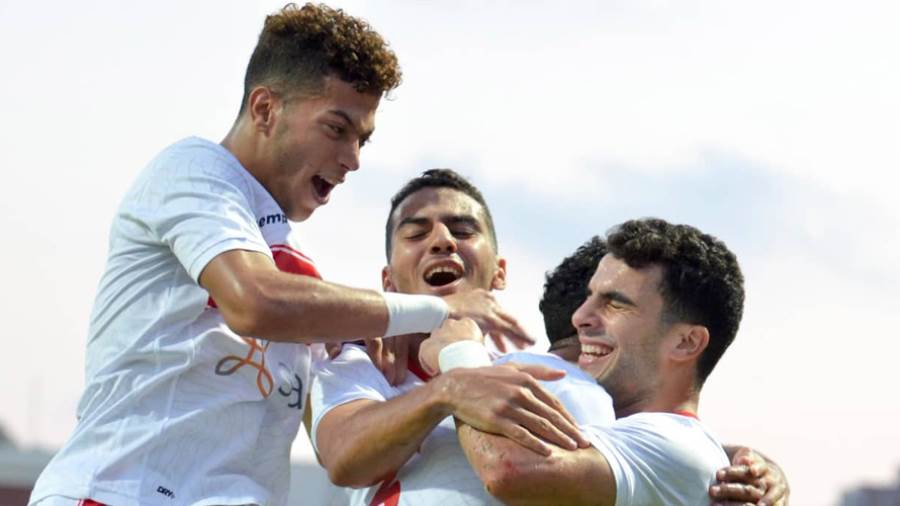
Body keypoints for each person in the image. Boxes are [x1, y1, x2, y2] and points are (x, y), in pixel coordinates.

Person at [29, 6, 531, 506]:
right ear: (265, 109)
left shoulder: (295, 266)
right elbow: (255, 302)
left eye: (362, 139)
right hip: (120, 493)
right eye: (337, 129)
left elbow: (341, 443)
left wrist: (379, 343)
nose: (354, 159)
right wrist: (434, 310)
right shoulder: (194, 170)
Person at [312, 171, 788, 505]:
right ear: (388, 281)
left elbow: (656, 434)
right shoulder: (355, 358)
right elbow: (344, 458)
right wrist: (446, 379)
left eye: (462, 229)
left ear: (499, 272)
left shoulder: (549, 377)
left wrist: (743, 464)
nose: (442, 241)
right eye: (416, 234)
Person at [429, 218, 788, 505]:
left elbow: (508, 470)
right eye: (589, 297)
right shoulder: (646, 440)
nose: (580, 317)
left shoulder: (679, 447)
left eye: (615, 303)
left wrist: (459, 361)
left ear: (686, 342)